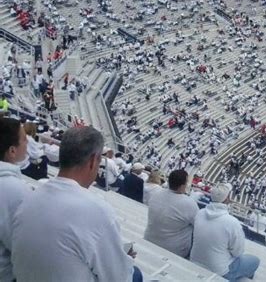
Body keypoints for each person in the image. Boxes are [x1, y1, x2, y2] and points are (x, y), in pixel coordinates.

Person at [11, 127, 142, 282]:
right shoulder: (97, 211)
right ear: (93, 161)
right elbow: (119, 278)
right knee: (136, 274)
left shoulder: (29, 196)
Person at [190, 183, 260, 281]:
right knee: (255, 261)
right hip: (219, 270)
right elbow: (238, 252)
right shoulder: (232, 222)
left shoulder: (200, 213)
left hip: (194, 260)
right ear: (227, 199)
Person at [0, 117, 30, 282]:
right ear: (12, 151)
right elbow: (22, 247)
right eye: (25, 140)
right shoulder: (14, 190)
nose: (28, 143)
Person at [144, 169, 198, 258]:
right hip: (173, 249)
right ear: (182, 186)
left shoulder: (156, 193)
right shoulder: (189, 203)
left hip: (150, 238)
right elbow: (198, 225)